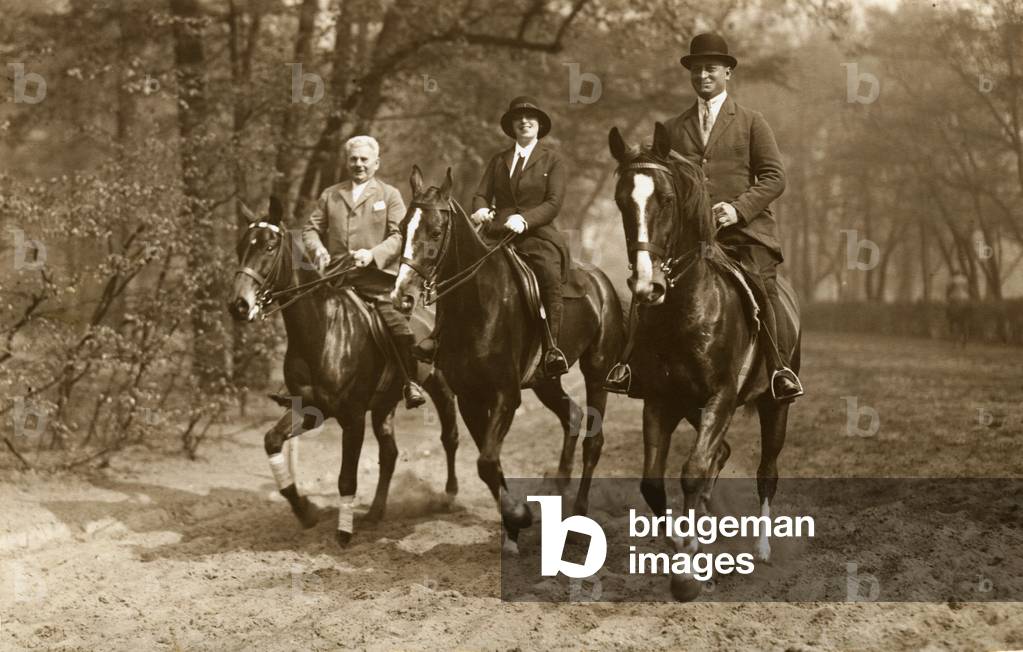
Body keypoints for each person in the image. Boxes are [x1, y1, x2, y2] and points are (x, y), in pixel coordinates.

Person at [667, 33, 802, 401]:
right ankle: (632, 365)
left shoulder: (751, 122)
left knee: (761, 285)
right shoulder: (673, 128)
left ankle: (778, 369)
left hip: (745, 234)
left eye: (710, 68)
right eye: (696, 70)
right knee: (651, 286)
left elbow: (775, 177)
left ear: (728, 72)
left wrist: (736, 209)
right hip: (691, 239)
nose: (702, 76)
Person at [416, 96, 571, 377]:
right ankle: (438, 338)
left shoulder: (553, 159)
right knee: (459, 269)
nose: (524, 121)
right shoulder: (500, 160)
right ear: (512, 126)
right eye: (518, 118)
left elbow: (553, 202)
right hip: (497, 234)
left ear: (539, 125)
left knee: (548, 276)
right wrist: (482, 209)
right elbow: (480, 194)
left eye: (530, 118)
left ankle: (551, 348)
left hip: (537, 235)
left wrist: (525, 219)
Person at [302, 135, 426, 408]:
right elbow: (310, 229)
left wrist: (373, 255)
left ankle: (410, 382)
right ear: (346, 162)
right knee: (303, 315)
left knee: (396, 325)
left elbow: (399, 236)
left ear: (376, 163)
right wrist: (318, 250)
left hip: (376, 279)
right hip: (336, 277)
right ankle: (301, 383)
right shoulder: (330, 194)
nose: (358, 164)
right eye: (353, 159)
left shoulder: (389, 195)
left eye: (364, 160)